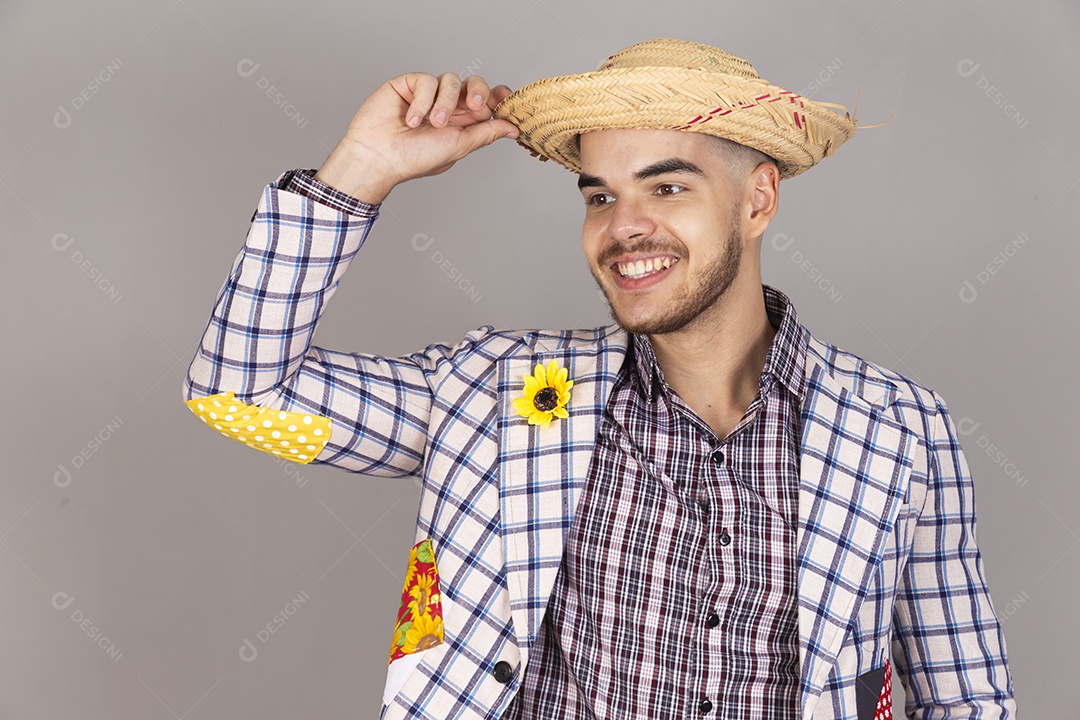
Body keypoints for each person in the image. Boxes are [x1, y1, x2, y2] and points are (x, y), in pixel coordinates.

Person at [183, 38, 1016, 719]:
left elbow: (968, 696)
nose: (625, 228)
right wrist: (358, 173)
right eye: (599, 196)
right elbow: (238, 397)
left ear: (758, 200)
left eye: (668, 185)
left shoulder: (899, 430)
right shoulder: (492, 395)